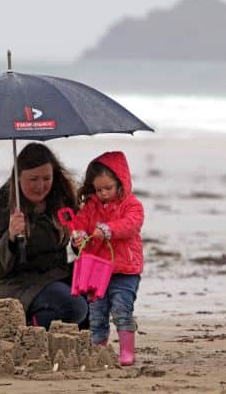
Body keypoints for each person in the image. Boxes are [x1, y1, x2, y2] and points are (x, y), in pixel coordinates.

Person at [0, 142, 88, 330]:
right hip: (13, 284)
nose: (41, 186)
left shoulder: (62, 201)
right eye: (33, 179)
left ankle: (66, 332)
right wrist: (10, 236)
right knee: (75, 307)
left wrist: (81, 242)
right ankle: (25, 330)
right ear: (18, 176)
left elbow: (81, 241)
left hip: (53, 276)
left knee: (96, 289)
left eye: (47, 178)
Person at [70, 151, 144, 366]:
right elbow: (79, 223)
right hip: (96, 270)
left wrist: (108, 229)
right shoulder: (90, 206)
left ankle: (127, 352)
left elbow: (131, 224)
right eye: (98, 189)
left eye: (107, 188)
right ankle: (99, 349)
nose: (103, 193)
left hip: (124, 270)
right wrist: (78, 236)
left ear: (120, 182)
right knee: (97, 313)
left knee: (122, 310)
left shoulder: (132, 204)